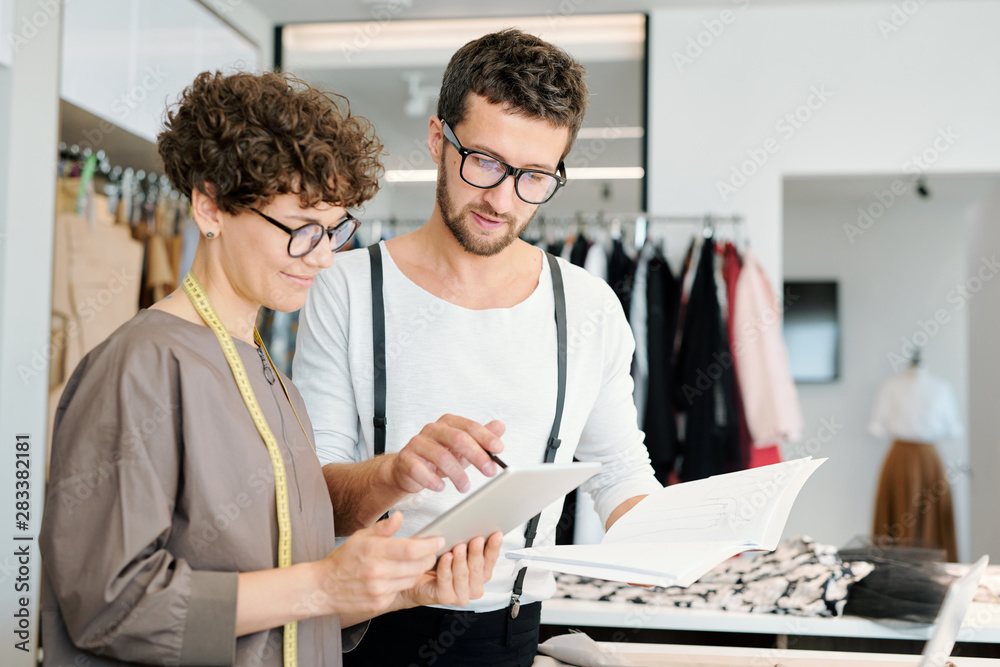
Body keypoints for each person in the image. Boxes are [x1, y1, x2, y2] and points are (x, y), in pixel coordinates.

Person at [39, 70, 501, 667]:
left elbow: (277, 604)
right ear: (210, 207)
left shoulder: (265, 371)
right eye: (301, 229)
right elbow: (110, 605)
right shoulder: (142, 366)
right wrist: (324, 584)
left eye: (333, 231)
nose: (324, 257)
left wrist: (407, 591)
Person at [293, 29, 662, 665]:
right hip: (368, 632)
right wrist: (394, 471)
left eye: (535, 176)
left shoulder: (588, 306)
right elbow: (312, 498)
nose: (503, 198)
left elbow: (622, 472)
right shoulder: (346, 287)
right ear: (439, 138)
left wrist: (690, 535)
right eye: (485, 161)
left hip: (513, 635)